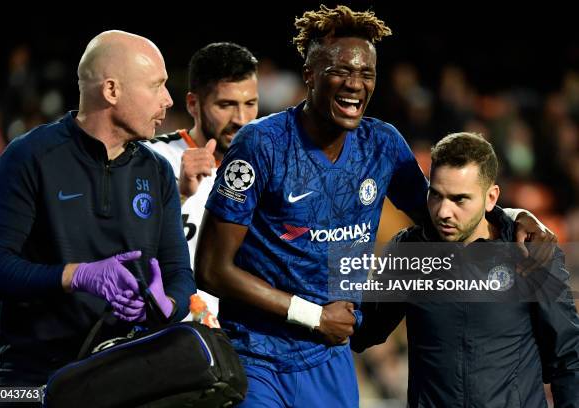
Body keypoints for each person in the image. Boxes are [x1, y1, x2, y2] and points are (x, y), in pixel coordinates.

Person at [195, 5, 555, 406]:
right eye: (341, 71)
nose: (355, 84)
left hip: (330, 356)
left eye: (366, 74)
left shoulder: (382, 145)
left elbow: (441, 215)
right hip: (257, 354)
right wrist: (312, 315)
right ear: (310, 76)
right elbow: (211, 268)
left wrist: (513, 215)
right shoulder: (261, 144)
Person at [0, 30, 195, 389]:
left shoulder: (157, 171)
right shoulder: (30, 156)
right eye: (156, 85)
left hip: (128, 376)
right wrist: (76, 275)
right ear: (111, 91)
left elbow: (179, 274)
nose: (168, 99)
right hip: (36, 379)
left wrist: (165, 305)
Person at [352, 132, 579, 407]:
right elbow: (363, 329)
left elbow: (568, 358)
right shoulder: (411, 250)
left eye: (459, 200)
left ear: (491, 197)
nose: (443, 211)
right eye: (435, 195)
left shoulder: (530, 250)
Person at [147, 42, 258, 317]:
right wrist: (179, 194)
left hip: (244, 338)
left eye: (250, 104)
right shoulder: (152, 159)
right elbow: (122, 244)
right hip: (172, 331)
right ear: (193, 104)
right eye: (226, 105)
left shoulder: (267, 169)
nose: (241, 119)